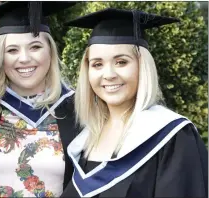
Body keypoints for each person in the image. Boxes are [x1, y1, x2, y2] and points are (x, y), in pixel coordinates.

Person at [60, 8, 208, 198]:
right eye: (97, 64)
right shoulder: (85, 138)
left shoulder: (172, 137)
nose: (109, 74)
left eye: (121, 62)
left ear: (142, 66)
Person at [0, 1, 82, 197]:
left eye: (35, 47)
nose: (24, 58)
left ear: (50, 52)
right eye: (12, 50)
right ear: (0, 56)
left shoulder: (77, 109)